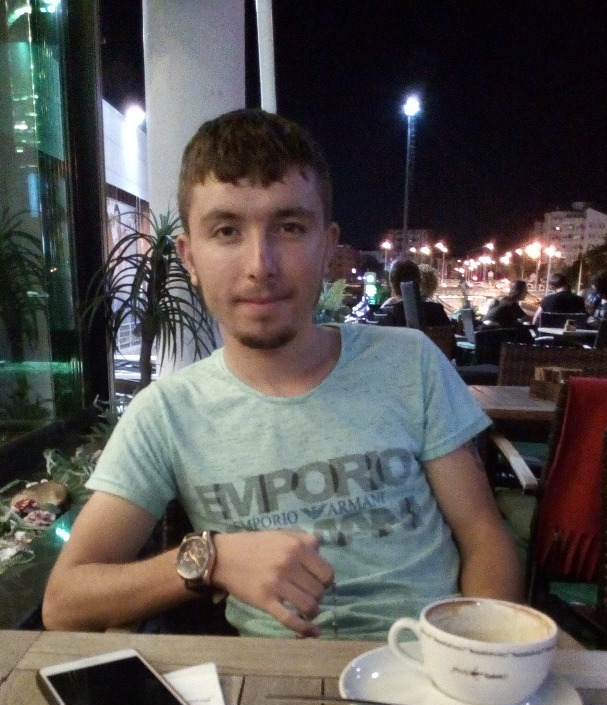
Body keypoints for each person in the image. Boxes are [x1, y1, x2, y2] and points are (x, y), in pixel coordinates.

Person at [43, 108, 523, 639]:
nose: (261, 265)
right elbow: (65, 602)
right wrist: (213, 559)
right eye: (226, 230)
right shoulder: (167, 413)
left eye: (290, 228)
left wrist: (475, 658)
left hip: (430, 658)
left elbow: (484, 537)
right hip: (275, 679)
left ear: (328, 248)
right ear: (190, 258)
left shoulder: (410, 362)